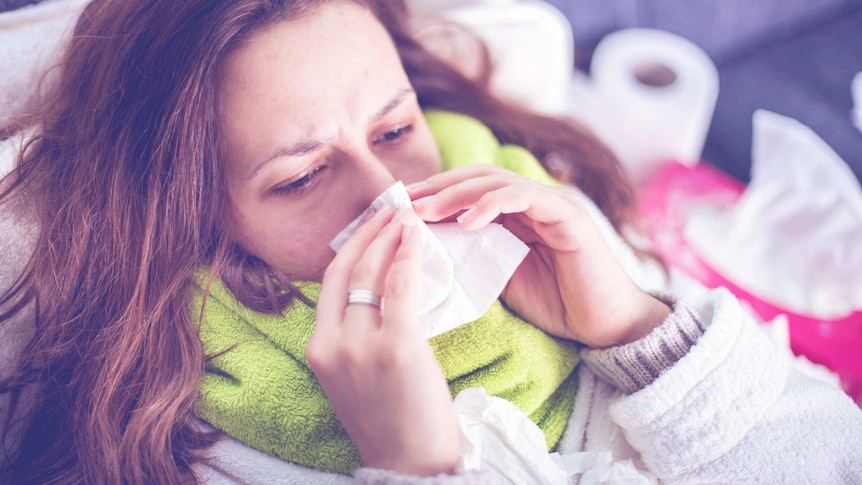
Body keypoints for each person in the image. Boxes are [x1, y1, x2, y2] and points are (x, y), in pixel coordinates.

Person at [0, 0, 859, 483]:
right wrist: (412, 464)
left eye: (395, 128)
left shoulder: (534, 203)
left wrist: (641, 331)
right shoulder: (194, 431)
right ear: (190, 215)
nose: (393, 200)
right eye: (300, 177)